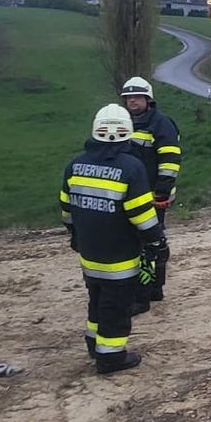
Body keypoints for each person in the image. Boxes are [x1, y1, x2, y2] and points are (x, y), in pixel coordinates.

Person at [60, 104, 168, 375]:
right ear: (127, 132)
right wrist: (157, 243)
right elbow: (142, 215)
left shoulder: (76, 164)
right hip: (120, 255)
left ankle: (94, 343)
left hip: (89, 252)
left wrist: (76, 236)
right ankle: (111, 358)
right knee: (116, 305)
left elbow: (66, 209)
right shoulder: (131, 167)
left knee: (96, 299)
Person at [120, 76, 181, 310]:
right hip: (130, 196)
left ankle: (146, 294)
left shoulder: (161, 123)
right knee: (141, 243)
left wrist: (162, 192)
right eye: (128, 97)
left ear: (148, 99)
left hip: (154, 197)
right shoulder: (124, 122)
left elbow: (170, 159)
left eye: (136, 97)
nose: (132, 101)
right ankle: (152, 289)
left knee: (150, 244)